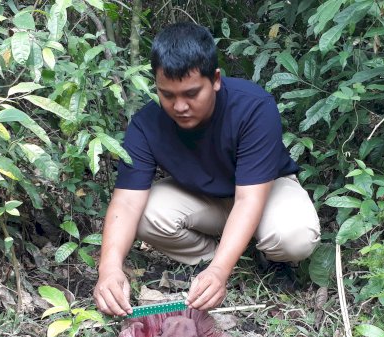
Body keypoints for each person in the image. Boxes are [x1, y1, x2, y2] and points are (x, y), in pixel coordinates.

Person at [93, 22, 321, 317]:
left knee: (295, 236)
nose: (179, 106)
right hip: (204, 199)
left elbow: (249, 199)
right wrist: (109, 269)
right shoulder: (145, 124)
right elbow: (126, 200)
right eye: (168, 95)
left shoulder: (252, 107)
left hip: (264, 191)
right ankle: (213, 258)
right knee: (144, 214)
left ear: (215, 79)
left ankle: (243, 258)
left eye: (191, 93)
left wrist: (221, 271)